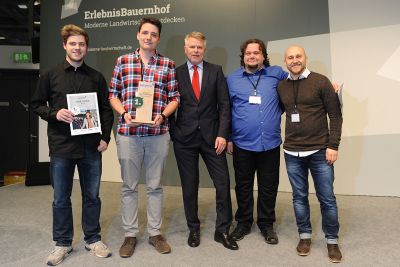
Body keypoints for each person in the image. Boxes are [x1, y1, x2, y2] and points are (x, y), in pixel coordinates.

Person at [31, 24, 114, 266]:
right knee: (60, 198)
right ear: (65, 46)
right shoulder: (50, 74)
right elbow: (37, 104)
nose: (77, 48)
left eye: (81, 44)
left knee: (92, 196)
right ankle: (63, 243)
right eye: (73, 44)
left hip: (90, 147)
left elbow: (106, 110)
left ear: (86, 47)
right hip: (62, 147)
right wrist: (55, 114)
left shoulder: (96, 77)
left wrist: (105, 138)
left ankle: (92, 238)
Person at [109, 17, 179, 257]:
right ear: (138, 35)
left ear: (158, 38)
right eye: (145, 33)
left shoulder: (168, 64)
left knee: (155, 186)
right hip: (129, 134)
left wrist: (162, 115)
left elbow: (175, 98)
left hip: (157, 134)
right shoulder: (122, 61)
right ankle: (130, 235)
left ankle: (154, 233)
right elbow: (113, 95)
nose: (149, 37)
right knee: (129, 187)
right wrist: (125, 113)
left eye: (154, 34)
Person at [277, 45, 343, 263]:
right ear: (285, 61)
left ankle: (332, 240)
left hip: (320, 151)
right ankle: (304, 236)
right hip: (291, 151)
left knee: (327, 198)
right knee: (299, 197)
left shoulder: (321, 81)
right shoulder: (282, 86)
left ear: (305, 58)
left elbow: (335, 116)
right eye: (290, 57)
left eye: (298, 56)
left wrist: (333, 145)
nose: (294, 60)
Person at [172, 32, 238, 250]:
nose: (196, 50)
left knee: (222, 183)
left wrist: (223, 134)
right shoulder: (176, 73)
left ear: (204, 49)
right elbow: (169, 104)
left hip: (213, 138)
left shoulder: (215, 71)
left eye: (199, 47)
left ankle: (223, 230)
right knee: (190, 186)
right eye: (192, 47)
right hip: (185, 139)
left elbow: (224, 106)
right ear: (185, 49)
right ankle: (193, 227)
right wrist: (175, 133)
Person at [226, 39, 286, 245]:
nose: (252, 56)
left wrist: (325, 84)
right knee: (243, 186)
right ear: (243, 56)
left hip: (270, 143)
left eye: (256, 53)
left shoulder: (276, 74)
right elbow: (225, 111)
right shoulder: (231, 79)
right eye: (248, 53)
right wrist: (228, 137)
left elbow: (299, 81)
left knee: (269, 186)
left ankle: (266, 224)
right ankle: (243, 222)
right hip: (242, 143)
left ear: (263, 56)